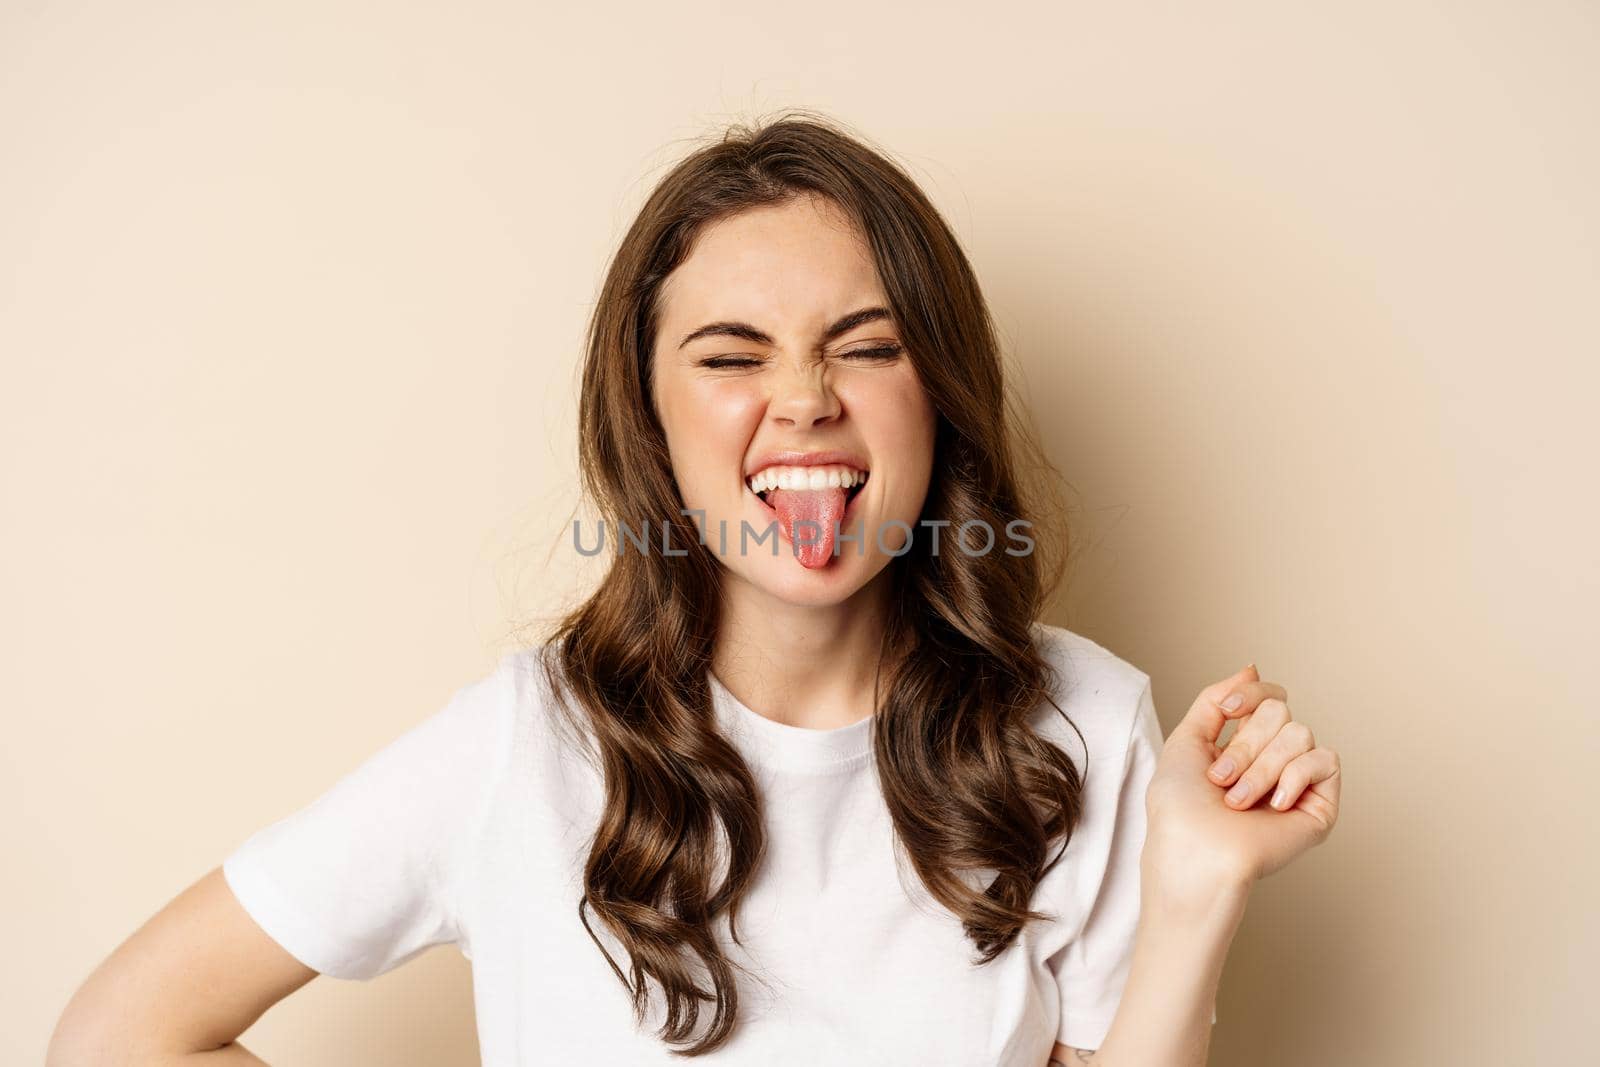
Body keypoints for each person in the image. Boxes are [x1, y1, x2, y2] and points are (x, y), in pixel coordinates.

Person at [47, 111, 1341, 1066]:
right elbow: (121, 1033)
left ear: (939, 399)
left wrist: (1196, 887)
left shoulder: (1085, 719)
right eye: (733, 355)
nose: (803, 400)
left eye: (867, 347)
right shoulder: (526, 742)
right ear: (650, 421)